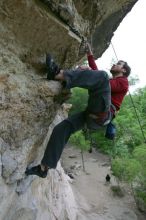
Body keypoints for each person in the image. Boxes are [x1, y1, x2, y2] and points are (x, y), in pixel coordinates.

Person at [25, 43, 131, 178]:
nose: (115, 64)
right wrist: (90, 56)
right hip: (92, 115)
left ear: (124, 71)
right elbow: (97, 78)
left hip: (103, 115)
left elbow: (101, 80)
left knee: (102, 76)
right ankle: (43, 168)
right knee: (61, 128)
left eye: (119, 64)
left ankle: (58, 74)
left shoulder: (124, 82)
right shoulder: (111, 82)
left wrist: (86, 71)